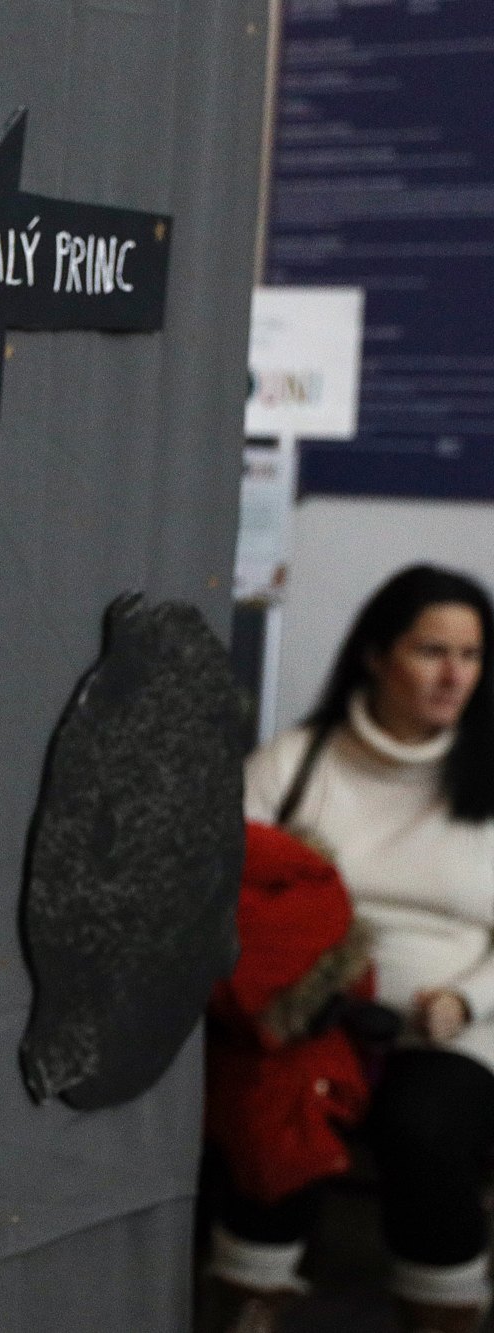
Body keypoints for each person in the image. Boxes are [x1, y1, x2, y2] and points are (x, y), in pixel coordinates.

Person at [209, 564, 494, 1333]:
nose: (453, 675)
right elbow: (217, 876)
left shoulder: (486, 775)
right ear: (376, 655)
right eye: (432, 650)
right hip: (311, 1014)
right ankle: (245, 1303)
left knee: (426, 1127)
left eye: (470, 655)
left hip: (455, 1024)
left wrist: (464, 999)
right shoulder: (297, 761)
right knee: (280, 1107)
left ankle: (443, 1313)